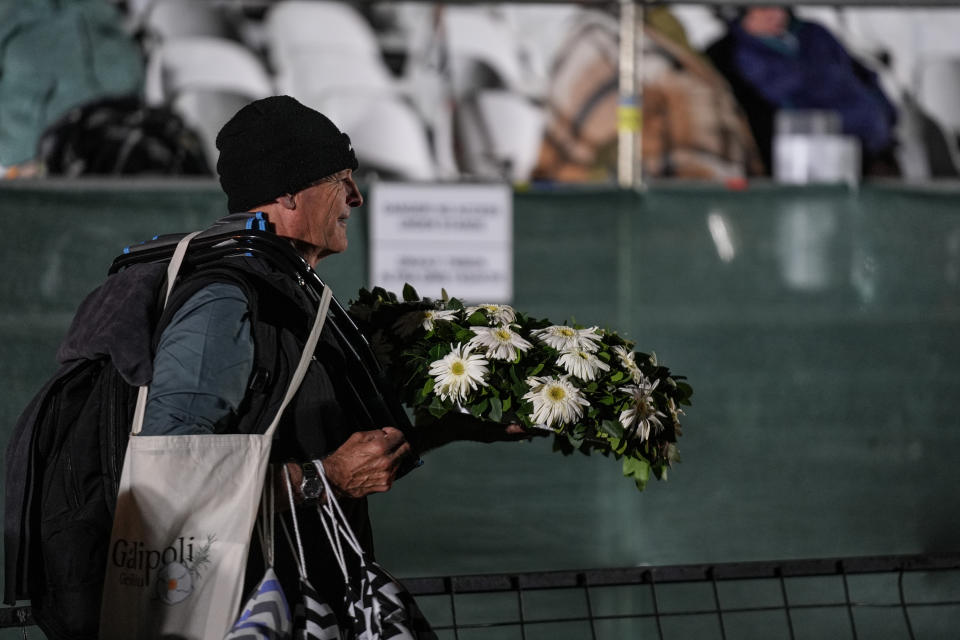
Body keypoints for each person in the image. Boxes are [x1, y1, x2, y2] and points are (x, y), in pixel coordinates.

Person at [140, 95, 524, 624]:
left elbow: (329, 447)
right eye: (340, 177)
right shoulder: (222, 300)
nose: (356, 197)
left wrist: (451, 427)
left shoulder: (290, 291)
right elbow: (171, 476)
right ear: (287, 192)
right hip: (237, 613)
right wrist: (325, 478)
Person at [530, 7, 764, 183]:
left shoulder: (670, 29)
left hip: (705, 205)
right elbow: (566, 156)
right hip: (648, 214)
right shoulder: (597, 40)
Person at [706, 6, 900, 177]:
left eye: (781, 6)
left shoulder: (815, 35)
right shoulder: (727, 55)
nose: (775, 14)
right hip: (796, 164)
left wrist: (883, 115)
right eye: (763, 8)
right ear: (739, 11)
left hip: (867, 152)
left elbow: (863, 77)